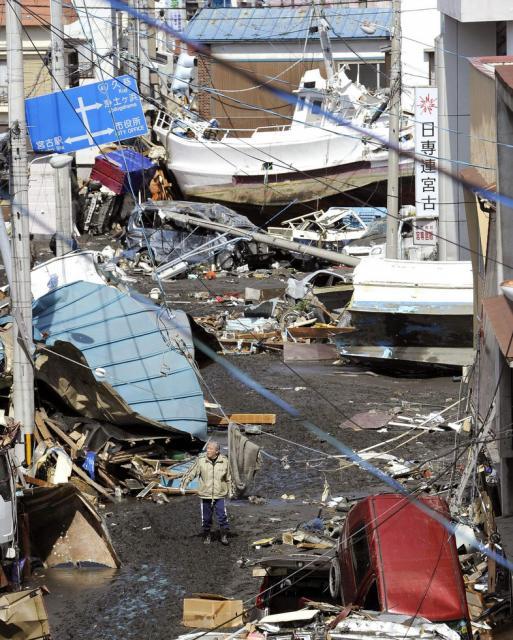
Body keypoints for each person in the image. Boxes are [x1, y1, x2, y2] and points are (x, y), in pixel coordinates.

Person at [180, 440, 231, 545]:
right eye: (207, 448)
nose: (208, 450)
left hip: (219, 494)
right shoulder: (201, 460)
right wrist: (183, 485)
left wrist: (231, 491)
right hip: (205, 494)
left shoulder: (224, 461)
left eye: (210, 449)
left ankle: (224, 536)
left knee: (222, 516)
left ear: (217, 451)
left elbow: (229, 478)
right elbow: (191, 473)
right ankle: (207, 535)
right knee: (206, 518)